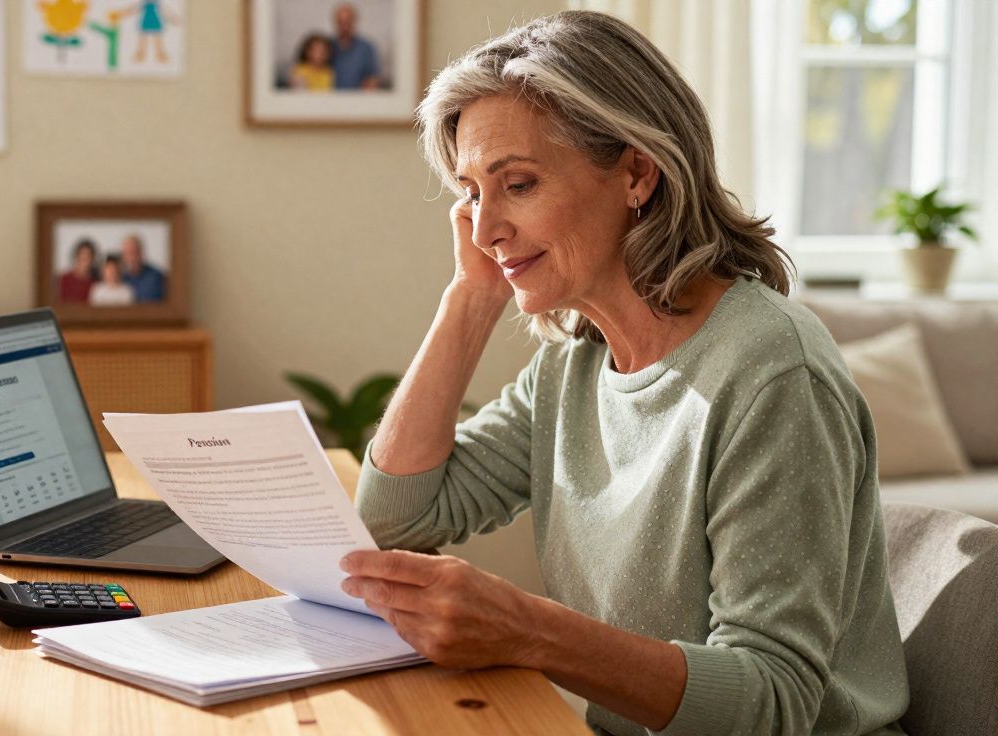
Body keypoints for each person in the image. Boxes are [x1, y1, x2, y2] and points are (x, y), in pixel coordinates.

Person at [338, 11, 908, 736]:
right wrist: (471, 296)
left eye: (518, 184)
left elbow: (774, 701)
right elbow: (394, 518)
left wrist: (529, 631)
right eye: (472, 193)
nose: (484, 230)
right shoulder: (575, 365)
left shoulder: (772, 372)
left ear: (637, 173)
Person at [329, 3, 379, 90]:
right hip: (330, 97)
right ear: (335, 23)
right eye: (341, 23)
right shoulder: (327, 46)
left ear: (355, 22)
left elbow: (373, 79)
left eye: (348, 22)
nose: (344, 27)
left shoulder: (366, 48)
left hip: (359, 96)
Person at [119, 235, 166, 302]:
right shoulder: (120, 278)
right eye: (126, 253)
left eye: (133, 252)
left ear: (141, 253)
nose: (131, 258)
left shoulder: (156, 277)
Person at [58, 238, 98, 303]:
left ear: (92, 260)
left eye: (88, 257)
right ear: (77, 257)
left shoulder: (94, 283)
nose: (85, 261)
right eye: (82, 257)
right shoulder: (64, 279)